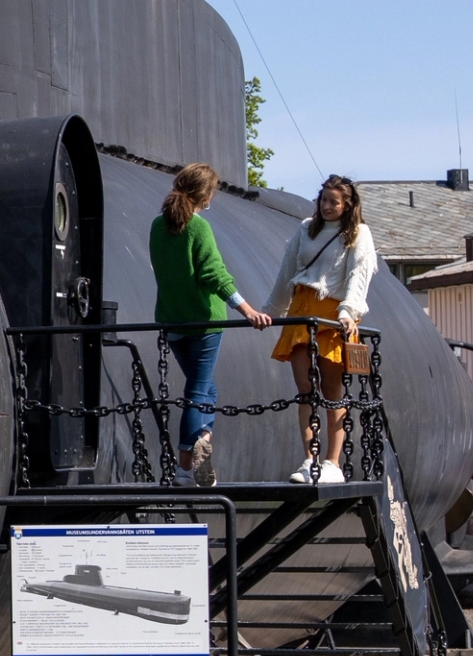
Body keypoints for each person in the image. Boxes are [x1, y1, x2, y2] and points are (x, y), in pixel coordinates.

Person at [146, 162, 269, 484]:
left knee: (206, 388)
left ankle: (202, 439)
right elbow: (214, 274)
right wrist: (247, 310)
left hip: (172, 322)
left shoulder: (158, 225)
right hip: (204, 323)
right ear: (206, 195)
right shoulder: (198, 227)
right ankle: (186, 467)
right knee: (198, 391)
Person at [268, 174, 379, 482]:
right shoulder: (306, 228)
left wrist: (348, 311)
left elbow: (358, 275)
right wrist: (272, 311)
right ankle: (309, 459)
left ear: (348, 205)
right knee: (305, 390)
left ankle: (332, 463)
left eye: (334, 202)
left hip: (332, 317)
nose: (326, 206)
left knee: (332, 392)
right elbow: (288, 271)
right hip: (302, 312)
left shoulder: (358, 233)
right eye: (323, 200)